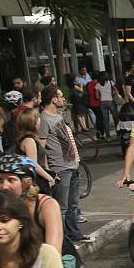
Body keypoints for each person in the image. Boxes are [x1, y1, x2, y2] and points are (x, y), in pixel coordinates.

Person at [36, 86, 87, 242]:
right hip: (60, 168)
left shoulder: (57, 115)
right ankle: (62, 240)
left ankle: (74, 234)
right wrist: (48, 171)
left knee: (73, 204)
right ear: (53, 99)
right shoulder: (44, 119)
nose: (63, 99)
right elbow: (41, 147)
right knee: (62, 207)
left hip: (72, 164)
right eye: (60, 96)